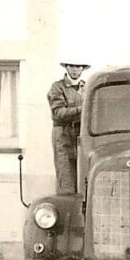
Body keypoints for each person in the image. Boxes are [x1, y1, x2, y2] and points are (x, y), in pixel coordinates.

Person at [47, 59, 89, 194]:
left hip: (81, 134)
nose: (75, 69)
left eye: (79, 66)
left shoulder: (86, 88)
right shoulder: (57, 87)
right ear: (66, 67)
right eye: (72, 66)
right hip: (63, 135)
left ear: (82, 68)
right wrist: (82, 109)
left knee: (84, 177)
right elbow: (58, 113)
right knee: (66, 178)